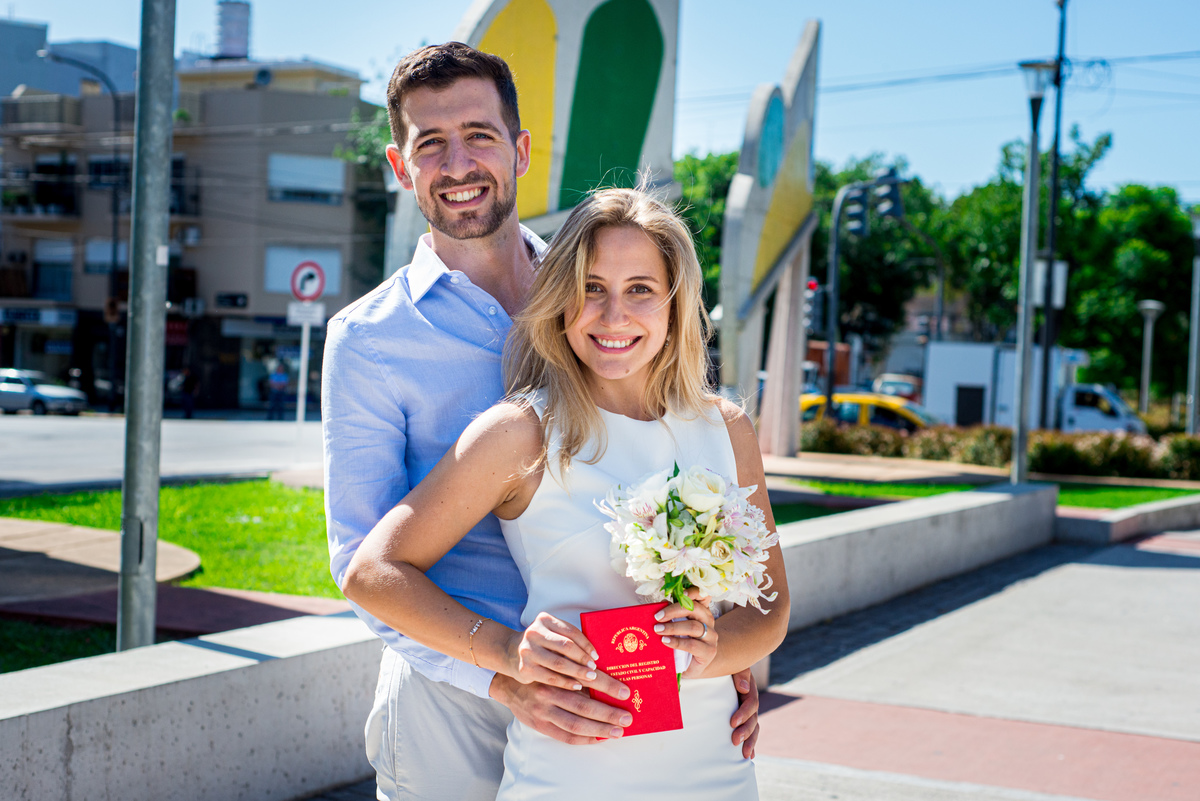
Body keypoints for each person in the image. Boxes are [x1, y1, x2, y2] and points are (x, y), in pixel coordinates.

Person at [322, 42, 760, 801]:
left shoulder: (601, 287)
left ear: (520, 150)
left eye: (479, 135)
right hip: (451, 698)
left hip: (617, 688)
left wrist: (725, 656)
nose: (458, 164)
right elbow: (362, 563)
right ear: (400, 166)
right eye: (430, 144)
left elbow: (670, 460)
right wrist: (504, 672)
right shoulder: (367, 339)